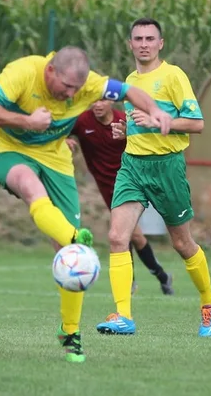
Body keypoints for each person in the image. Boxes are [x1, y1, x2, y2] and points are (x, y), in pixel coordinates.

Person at [0, 45, 164, 363]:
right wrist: (26, 121)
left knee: (73, 260)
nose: (72, 94)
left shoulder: (89, 85)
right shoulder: (23, 72)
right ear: (50, 71)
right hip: (8, 146)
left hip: (55, 157)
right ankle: (75, 238)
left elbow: (129, 91)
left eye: (77, 88)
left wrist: (156, 111)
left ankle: (70, 333)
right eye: (66, 87)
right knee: (34, 192)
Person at [95, 17, 211, 337]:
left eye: (150, 38)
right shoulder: (128, 80)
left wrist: (155, 122)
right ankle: (123, 315)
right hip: (133, 166)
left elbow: (196, 123)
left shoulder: (173, 76)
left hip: (167, 167)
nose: (144, 44)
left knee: (182, 243)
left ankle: (209, 300)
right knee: (116, 237)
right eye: (138, 38)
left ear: (160, 43)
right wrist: (126, 129)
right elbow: (140, 124)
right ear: (130, 44)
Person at [67, 99, 174, 296]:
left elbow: (147, 141)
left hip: (130, 181)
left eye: (102, 100)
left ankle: (130, 283)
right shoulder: (82, 121)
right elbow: (59, 129)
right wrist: (63, 140)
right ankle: (162, 276)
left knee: (127, 234)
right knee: (135, 235)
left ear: (112, 100)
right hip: (108, 187)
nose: (97, 104)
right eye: (93, 100)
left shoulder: (124, 120)